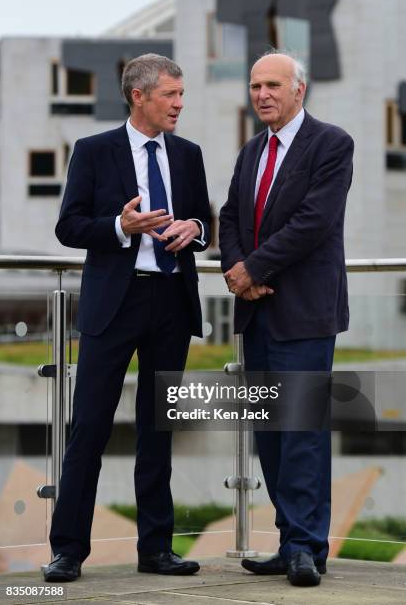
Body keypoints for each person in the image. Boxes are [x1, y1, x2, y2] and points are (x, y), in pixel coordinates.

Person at [43, 53, 211, 582]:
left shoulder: (188, 154)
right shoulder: (94, 152)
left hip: (171, 301)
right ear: (138, 96)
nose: (180, 104)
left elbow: (206, 220)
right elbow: (69, 226)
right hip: (113, 305)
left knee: (157, 431)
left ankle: (156, 549)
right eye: (171, 95)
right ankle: (68, 550)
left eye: (182, 95)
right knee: (89, 427)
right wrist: (121, 225)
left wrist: (196, 231)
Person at [219, 52, 353, 587]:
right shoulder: (252, 150)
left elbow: (313, 222)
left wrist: (253, 266)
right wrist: (238, 273)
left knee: (302, 432)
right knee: (270, 435)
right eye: (254, 85)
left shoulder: (332, 144)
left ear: (301, 89)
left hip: (305, 313)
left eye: (272, 84)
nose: (262, 94)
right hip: (258, 312)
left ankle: (306, 547)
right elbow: (229, 215)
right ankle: (289, 536)